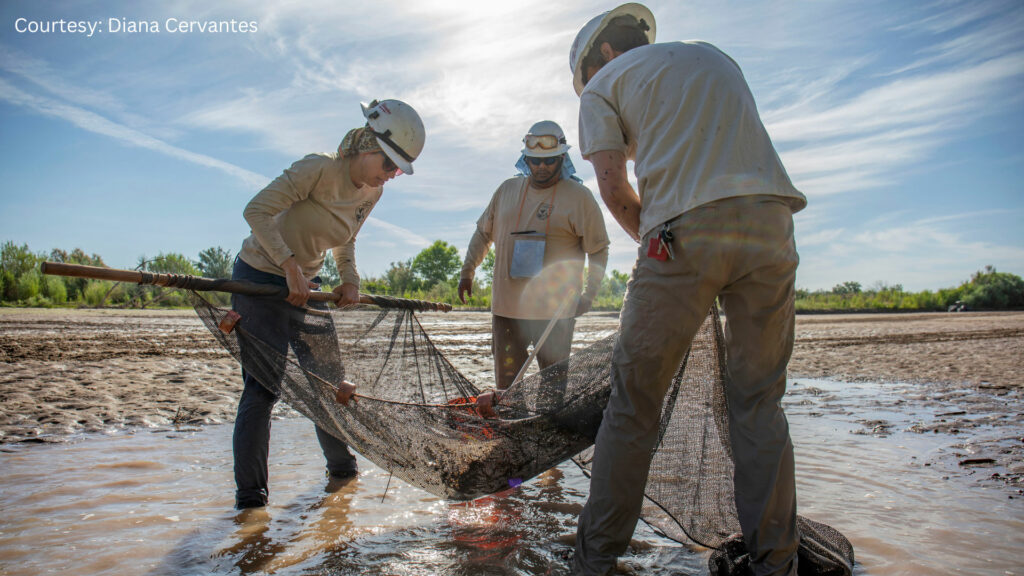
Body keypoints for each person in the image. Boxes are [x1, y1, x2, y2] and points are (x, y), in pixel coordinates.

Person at [567, 4, 808, 575]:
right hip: (771, 224)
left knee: (633, 406)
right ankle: (777, 564)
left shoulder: (601, 86)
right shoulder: (711, 56)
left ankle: (594, 564)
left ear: (600, 55)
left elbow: (611, 182)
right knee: (759, 404)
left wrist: (653, 246)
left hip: (683, 230)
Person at [230, 98, 425, 509]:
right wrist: (287, 266)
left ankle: (343, 476)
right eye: (388, 165)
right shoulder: (317, 168)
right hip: (260, 279)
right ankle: (251, 503)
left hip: (308, 287)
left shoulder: (372, 193)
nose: (390, 176)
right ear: (369, 146)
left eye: (397, 171)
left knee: (330, 385)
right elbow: (257, 210)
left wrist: (350, 280)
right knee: (264, 389)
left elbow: (346, 240)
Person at [458, 120, 609, 398]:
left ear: (562, 158)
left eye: (549, 161)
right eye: (535, 160)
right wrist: (467, 271)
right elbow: (483, 233)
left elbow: (598, 248)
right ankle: (510, 435)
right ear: (524, 158)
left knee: (551, 391)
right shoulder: (506, 191)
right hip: (507, 311)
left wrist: (589, 294)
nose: (541, 167)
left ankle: (543, 434)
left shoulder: (579, 197)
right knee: (506, 389)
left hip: (554, 313)